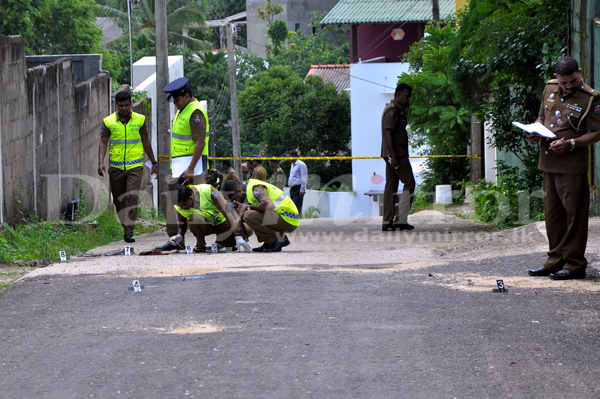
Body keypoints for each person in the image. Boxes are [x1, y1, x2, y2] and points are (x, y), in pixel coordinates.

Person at [526, 57, 600, 280]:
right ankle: (554, 261)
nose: (568, 86)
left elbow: (597, 132)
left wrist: (572, 144)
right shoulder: (549, 88)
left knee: (574, 216)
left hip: (572, 165)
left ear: (579, 72)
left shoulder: (590, 98)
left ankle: (575, 264)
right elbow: (542, 118)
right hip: (548, 162)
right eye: (564, 82)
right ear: (556, 77)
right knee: (553, 215)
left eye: (572, 81)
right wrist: (533, 132)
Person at [98, 90, 158, 243]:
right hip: (116, 168)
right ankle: (125, 225)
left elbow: (146, 141)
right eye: (120, 105)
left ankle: (129, 232)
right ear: (116, 105)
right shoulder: (108, 121)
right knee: (119, 200)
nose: (124, 108)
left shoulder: (140, 120)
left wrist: (154, 162)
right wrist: (100, 162)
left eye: (126, 105)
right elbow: (103, 142)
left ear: (131, 103)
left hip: (135, 167)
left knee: (131, 196)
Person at [156, 77, 209, 251]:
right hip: (181, 166)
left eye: (177, 100)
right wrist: (175, 165)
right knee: (174, 201)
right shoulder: (183, 109)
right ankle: (176, 239)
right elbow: (180, 142)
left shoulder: (195, 112)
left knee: (195, 204)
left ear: (186, 95)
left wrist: (191, 168)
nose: (175, 104)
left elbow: (200, 142)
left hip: (193, 168)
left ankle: (200, 242)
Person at [170, 184, 252, 252]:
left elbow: (227, 213)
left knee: (247, 231)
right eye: (179, 206)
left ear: (190, 199)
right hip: (206, 226)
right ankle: (200, 246)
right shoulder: (179, 206)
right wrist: (179, 236)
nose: (181, 208)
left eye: (183, 205)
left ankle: (223, 241)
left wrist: (238, 235)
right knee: (194, 218)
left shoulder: (208, 191)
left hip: (223, 223)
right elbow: (182, 225)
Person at [223, 179, 299, 252]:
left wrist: (247, 207)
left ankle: (277, 240)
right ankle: (270, 242)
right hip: (282, 216)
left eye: (236, 199)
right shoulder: (249, 189)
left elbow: (269, 206)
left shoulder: (255, 187)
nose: (237, 201)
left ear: (239, 191)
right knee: (249, 212)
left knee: (249, 215)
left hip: (288, 218)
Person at [381, 83, 416, 232]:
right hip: (396, 154)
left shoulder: (399, 111)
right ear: (398, 95)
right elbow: (387, 133)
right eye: (406, 96)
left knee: (391, 186)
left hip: (393, 154)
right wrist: (394, 156)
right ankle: (401, 219)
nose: (408, 99)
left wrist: (406, 112)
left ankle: (387, 222)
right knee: (409, 183)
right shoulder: (392, 111)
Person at [287, 150, 308, 215]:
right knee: (292, 206)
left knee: (296, 207)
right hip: (292, 189)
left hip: (298, 188)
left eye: (289, 156)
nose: (288, 158)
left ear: (293, 156)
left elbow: (304, 177)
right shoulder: (292, 165)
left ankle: (298, 222)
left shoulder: (301, 164)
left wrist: (302, 190)